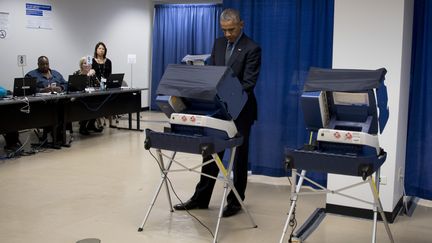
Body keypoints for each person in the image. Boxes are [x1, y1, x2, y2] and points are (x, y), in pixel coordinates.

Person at [173, 8, 261, 217]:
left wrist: (223, 92)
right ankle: (201, 198)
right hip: (219, 109)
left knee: (239, 158)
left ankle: (235, 202)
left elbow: (248, 83)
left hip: (241, 110)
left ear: (241, 25)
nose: (228, 34)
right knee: (211, 154)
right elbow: (213, 73)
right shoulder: (218, 43)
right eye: (224, 30)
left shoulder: (252, 48)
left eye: (231, 29)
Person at [73, 57, 103, 135]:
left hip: (91, 97)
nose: (87, 65)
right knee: (89, 105)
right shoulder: (76, 74)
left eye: (88, 63)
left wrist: (93, 76)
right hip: (79, 99)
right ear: (81, 65)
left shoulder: (92, 74)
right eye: (84, 63)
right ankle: (82, 127)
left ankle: (91, 125)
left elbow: (99, 86)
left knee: (98, 103)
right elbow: (74, 88)